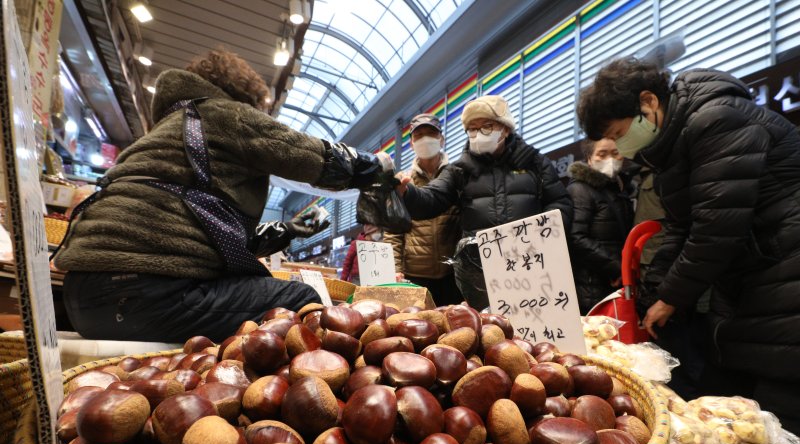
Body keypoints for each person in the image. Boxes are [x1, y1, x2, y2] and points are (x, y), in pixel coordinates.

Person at [578, 56, 800, 444]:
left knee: (784, 414)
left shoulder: (717, 118)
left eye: (619, 131)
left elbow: (716, 229)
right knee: (745, 408)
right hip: (752, 283)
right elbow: (679, 226)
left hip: (785, 274)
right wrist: (654, 296)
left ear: (649, 104)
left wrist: (670, 298)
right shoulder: (672, 144)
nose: (620, 145)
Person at [53, 48, 393, 343]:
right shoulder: (222, 113)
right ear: (244, 98)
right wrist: (375, 166)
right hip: (147, 298)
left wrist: (288, 230)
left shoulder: (159, 136)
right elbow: (309, 155)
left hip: (80, 299)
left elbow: (205, 238)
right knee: (300, 298)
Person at [397, 95, 573, 310]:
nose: (479, 133)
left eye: (487, 126)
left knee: (534, 329)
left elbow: (560, 202)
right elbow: (432, 198)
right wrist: (407, 193)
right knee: (487, 333)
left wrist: (542, 236)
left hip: (532, 263)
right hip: (480, 270)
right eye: (472, 128)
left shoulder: (534, 163)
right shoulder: (460, 170)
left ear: (505, 129)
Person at [383, 114, 462, 305]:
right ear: (411, 143)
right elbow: (393, 231)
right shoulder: (403, 181)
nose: (425, 139)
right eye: (418, 136)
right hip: (415, 275)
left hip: (453, 274)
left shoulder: (458, 176)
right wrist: (395, 267)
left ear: (441, 139)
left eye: (431, 134)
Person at [566, 138, 634, 314]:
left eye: (615, 153)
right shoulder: (580, 189)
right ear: (589, 158)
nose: (610, 159)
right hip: (590, 284)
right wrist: (615, 267)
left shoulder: (620, 188)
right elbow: (575, 237)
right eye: (602, 154)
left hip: (617, 281)